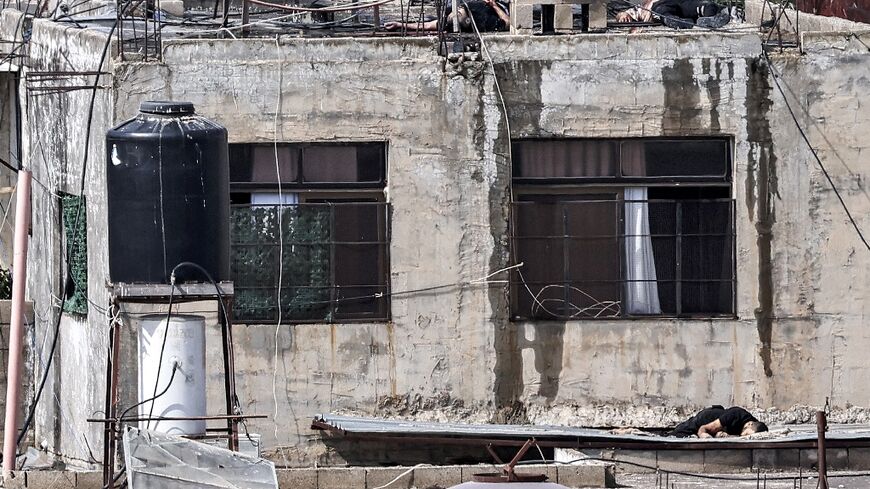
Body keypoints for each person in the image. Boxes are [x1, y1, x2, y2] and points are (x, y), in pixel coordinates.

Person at [384, 0, 510, 32]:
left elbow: (427, 25)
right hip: (501, 6)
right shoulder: (485, 21)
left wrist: (400, 24)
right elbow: (508, 22)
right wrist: (494, 5)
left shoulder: (450, 21)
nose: (458, 8)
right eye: (459, 11)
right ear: (468, 19)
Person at [614, 0, 731, 29]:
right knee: (666, 16)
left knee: (707, 6)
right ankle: (689, 24)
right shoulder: (642, 6)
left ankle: (709, 20)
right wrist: (623, 16)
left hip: (679, 3)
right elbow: (622, 14)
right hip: (659, 7)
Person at [668, 405, 769, 438]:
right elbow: (703, 429)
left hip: (721, 424)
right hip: (705, 419)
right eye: (746, 434)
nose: (745, 437)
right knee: (676, 435)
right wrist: (704, 436)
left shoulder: (758, 427)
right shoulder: (735, 414)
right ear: (749, 424)